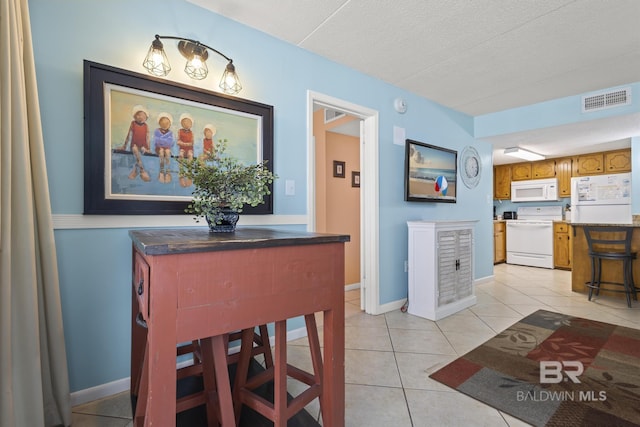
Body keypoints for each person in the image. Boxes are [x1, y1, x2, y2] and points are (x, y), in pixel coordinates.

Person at [120, 105, 151, 182]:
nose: (141, 117)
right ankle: (142, 170)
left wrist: (148, 148)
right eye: (139, 115)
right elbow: (129, 135)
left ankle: (135, 170)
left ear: (146, 117)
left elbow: (147, 137)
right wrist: (124, 146)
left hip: (143, 146)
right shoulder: (133, 123)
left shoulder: (146, 126)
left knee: (142, 150)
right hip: (134, 145)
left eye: (143, 115)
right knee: (135, 149)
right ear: (135, 116)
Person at [153, 112, 174, 183]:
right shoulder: (157, 131)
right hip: (159, 148)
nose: (165, 125)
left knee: (167, 152)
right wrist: (164, 141)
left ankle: (168, 171)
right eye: (163, 123)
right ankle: (161, 170)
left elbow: (170, 142)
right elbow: (157, 141)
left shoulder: (170, 133)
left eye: (167, 123)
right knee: (161, 151)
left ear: (169, 124)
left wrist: (162, 140)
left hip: (167, 148)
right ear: (159, 123)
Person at [177, 113, 195, 187]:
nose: (186, 124)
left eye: (188, 122)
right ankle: (181, 171)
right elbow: (178, 141)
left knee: (190, 156)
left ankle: (189, 172)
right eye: (184, 122)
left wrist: (187, 144)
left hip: (189, 149)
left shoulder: (191, 133)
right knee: (181, 155)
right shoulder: (180, 131)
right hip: (182, 148)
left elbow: (192, 143)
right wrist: (183, 143)